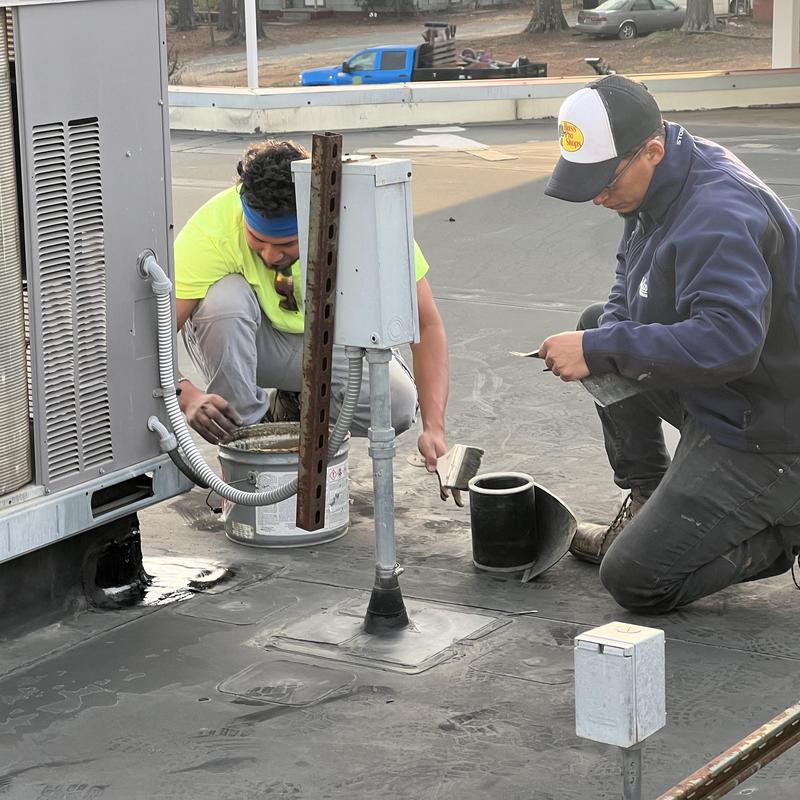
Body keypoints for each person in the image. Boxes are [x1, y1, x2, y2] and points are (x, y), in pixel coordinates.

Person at [538, 75, 800, 614]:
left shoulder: (719, 213)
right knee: (596, 327)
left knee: (635, 579)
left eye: (603, 183)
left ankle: (785, 531)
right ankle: (647, 494)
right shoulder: (660, 176)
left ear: (651, 151)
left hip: (771, 430)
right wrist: (604, 336)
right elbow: (626, 272)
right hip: (728, 396)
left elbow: (731, 342)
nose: (597, 197)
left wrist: (603, 348)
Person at [173, 139, 449, 470]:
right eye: (258, 241)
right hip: (253, 341)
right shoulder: (211, 230)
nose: (272, 255)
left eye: (287, 243)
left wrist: (434, 428)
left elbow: (427, 324)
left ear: (315, 218)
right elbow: (148, 341)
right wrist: (187, 396)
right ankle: (247, 452)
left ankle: (293, 404)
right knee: (224, 302)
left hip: (331, 341)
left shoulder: (366, 221)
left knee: (397, 406)